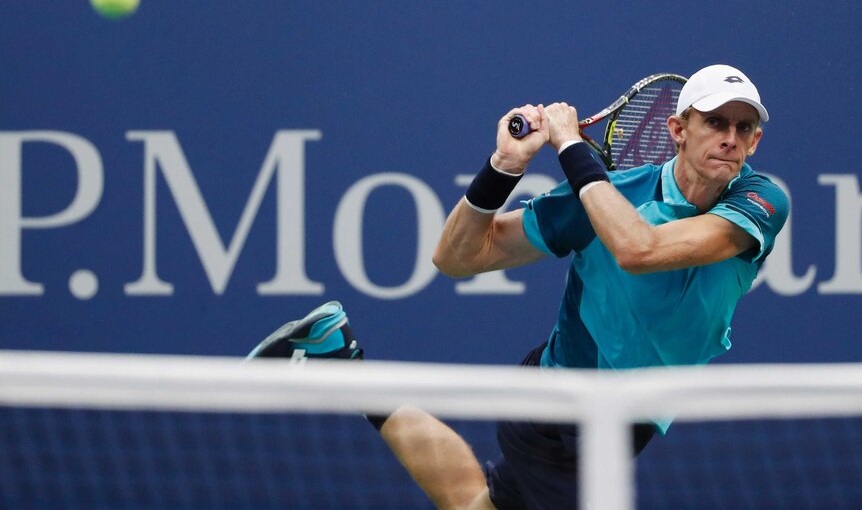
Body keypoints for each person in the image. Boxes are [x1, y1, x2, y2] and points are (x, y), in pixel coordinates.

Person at [248, 64, 789, 510]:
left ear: (756, 140)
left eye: (744, 128)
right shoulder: (603, 194)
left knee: (471, 504)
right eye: (716, 121)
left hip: (625, 417)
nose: (730, 138)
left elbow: (640, 249)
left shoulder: (759, 201)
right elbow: (457, 257)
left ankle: (341, 364)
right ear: (678, 129)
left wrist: (572, 149)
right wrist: (503, 168)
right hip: (563, 408)